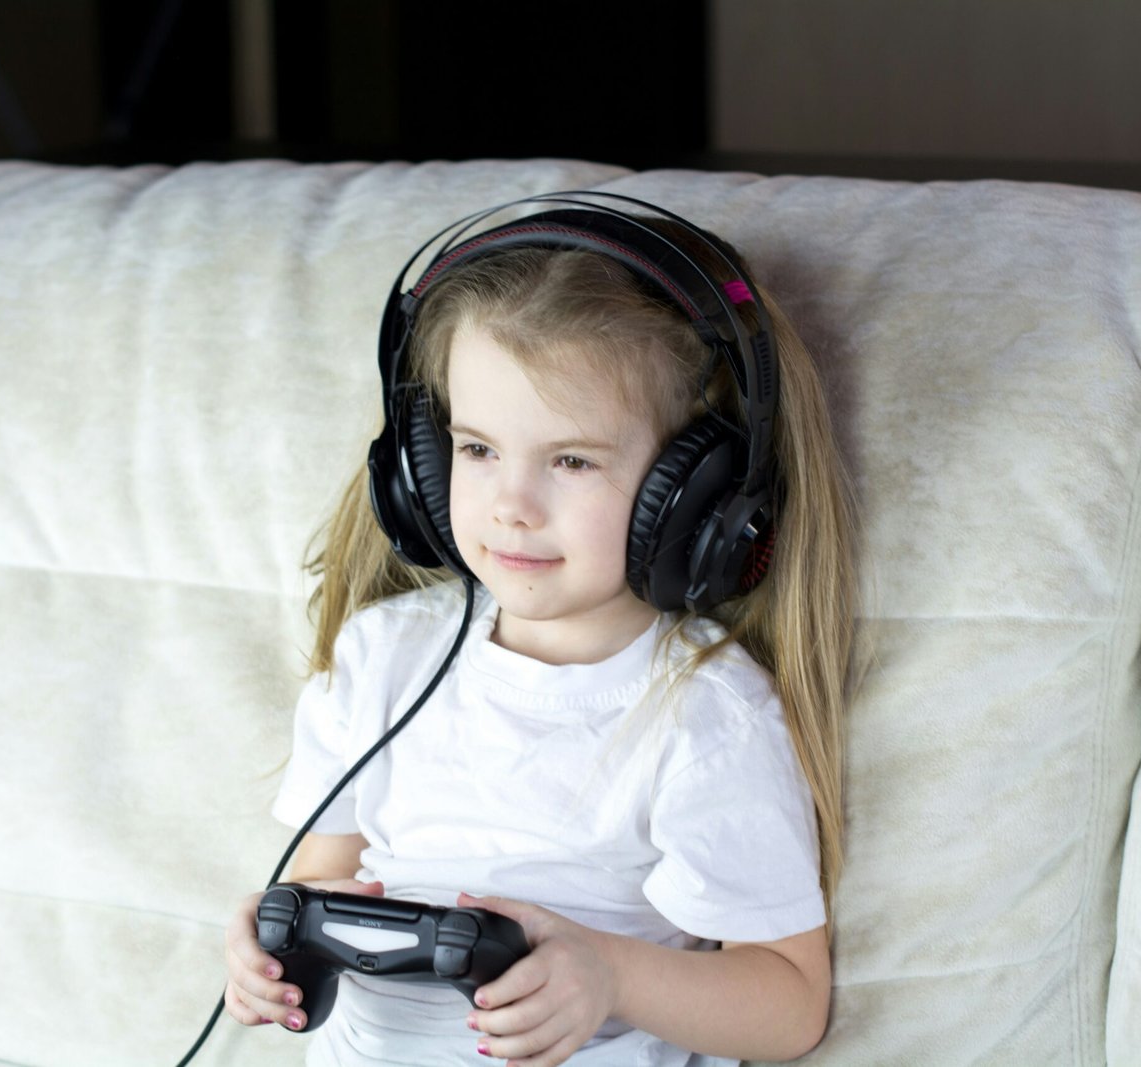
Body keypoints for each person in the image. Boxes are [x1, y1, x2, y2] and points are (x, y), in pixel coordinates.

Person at [222, 195, 857, 1066]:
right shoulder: (383, 659)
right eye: (477, 449)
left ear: (695, 494)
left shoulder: (705, 713)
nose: (511, 507)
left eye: (571, 460)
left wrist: (611, 973)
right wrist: (262, 946)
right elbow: (315, 881)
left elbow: (788, 1004)